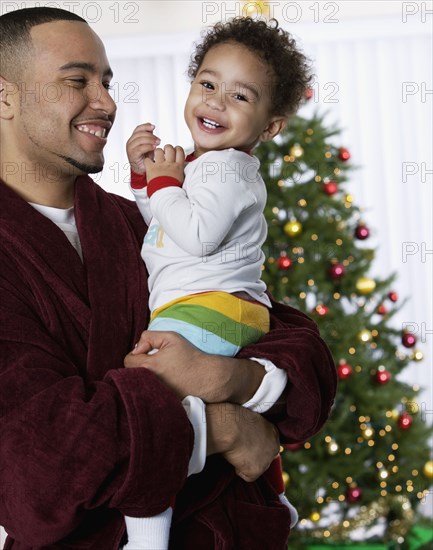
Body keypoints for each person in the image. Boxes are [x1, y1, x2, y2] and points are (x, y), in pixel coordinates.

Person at [0, 7, 337, 550]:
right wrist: (223, 427)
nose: (107, 102)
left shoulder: (137, 221)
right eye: (76, 80)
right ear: (5, 95)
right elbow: (38, 473)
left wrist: (231, 380)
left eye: (106, 82)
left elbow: (297, 346)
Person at [125, 17, 309, 549]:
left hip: (211, 307)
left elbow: (197, 235)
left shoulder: (228, 169)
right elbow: (165, 227)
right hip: (213, 306)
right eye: (207, 84)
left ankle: (146, 533)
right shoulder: (210, 166)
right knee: (189, 409)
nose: (216, 102)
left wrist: (163, 181)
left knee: (149, 403)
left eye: (240, 96)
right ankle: (273, 495)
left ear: (270, 126)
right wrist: (146, 180)